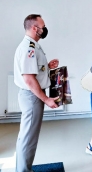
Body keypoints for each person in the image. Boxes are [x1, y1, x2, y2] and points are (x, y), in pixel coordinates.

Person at [14, 14, 60, 172]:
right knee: (28, 138)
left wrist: (47, 67)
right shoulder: (29, 48)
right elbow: (28, 79)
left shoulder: (32, 45)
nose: (44, 29)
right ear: (35, 28)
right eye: (43, 26)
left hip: (33, 95)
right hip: (32, 96)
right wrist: (46, 99)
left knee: (27, 136)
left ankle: (23, 169)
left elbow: (33, 71)